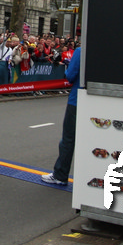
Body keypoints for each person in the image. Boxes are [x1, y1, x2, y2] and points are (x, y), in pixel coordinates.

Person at [41, 45, 82, 186]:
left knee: (68, 140)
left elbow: (70, 75)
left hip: (77, 100)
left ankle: (60, 175)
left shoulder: (81, 51)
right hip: (97, 102)